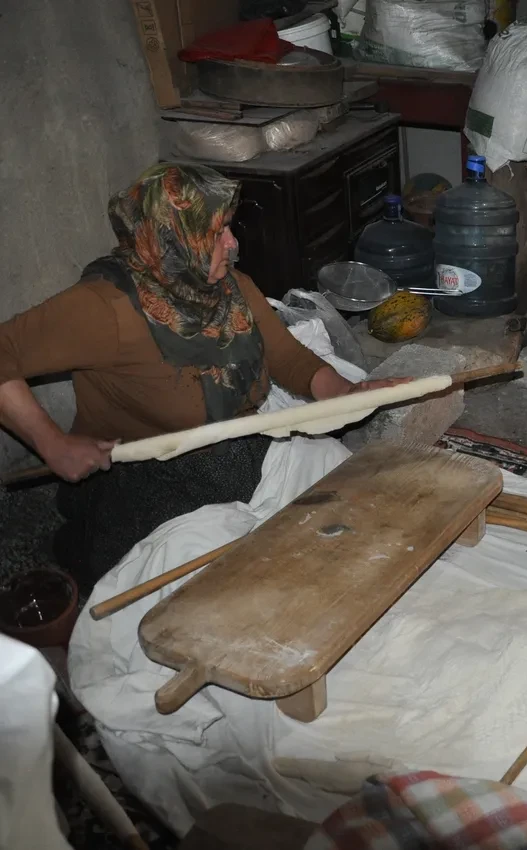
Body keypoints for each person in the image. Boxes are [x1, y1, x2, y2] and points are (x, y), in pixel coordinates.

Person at [0, 164, 401, 586]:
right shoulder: (106, 308)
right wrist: (51, 442)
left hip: (238, 449)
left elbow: (287, 359)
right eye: (217, 232)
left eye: (229, 227)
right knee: (233, 583)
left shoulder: (228, 287)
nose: (232, 243)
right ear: (170, 239)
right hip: (149, 478)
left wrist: (349, 392)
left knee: (350, 490)